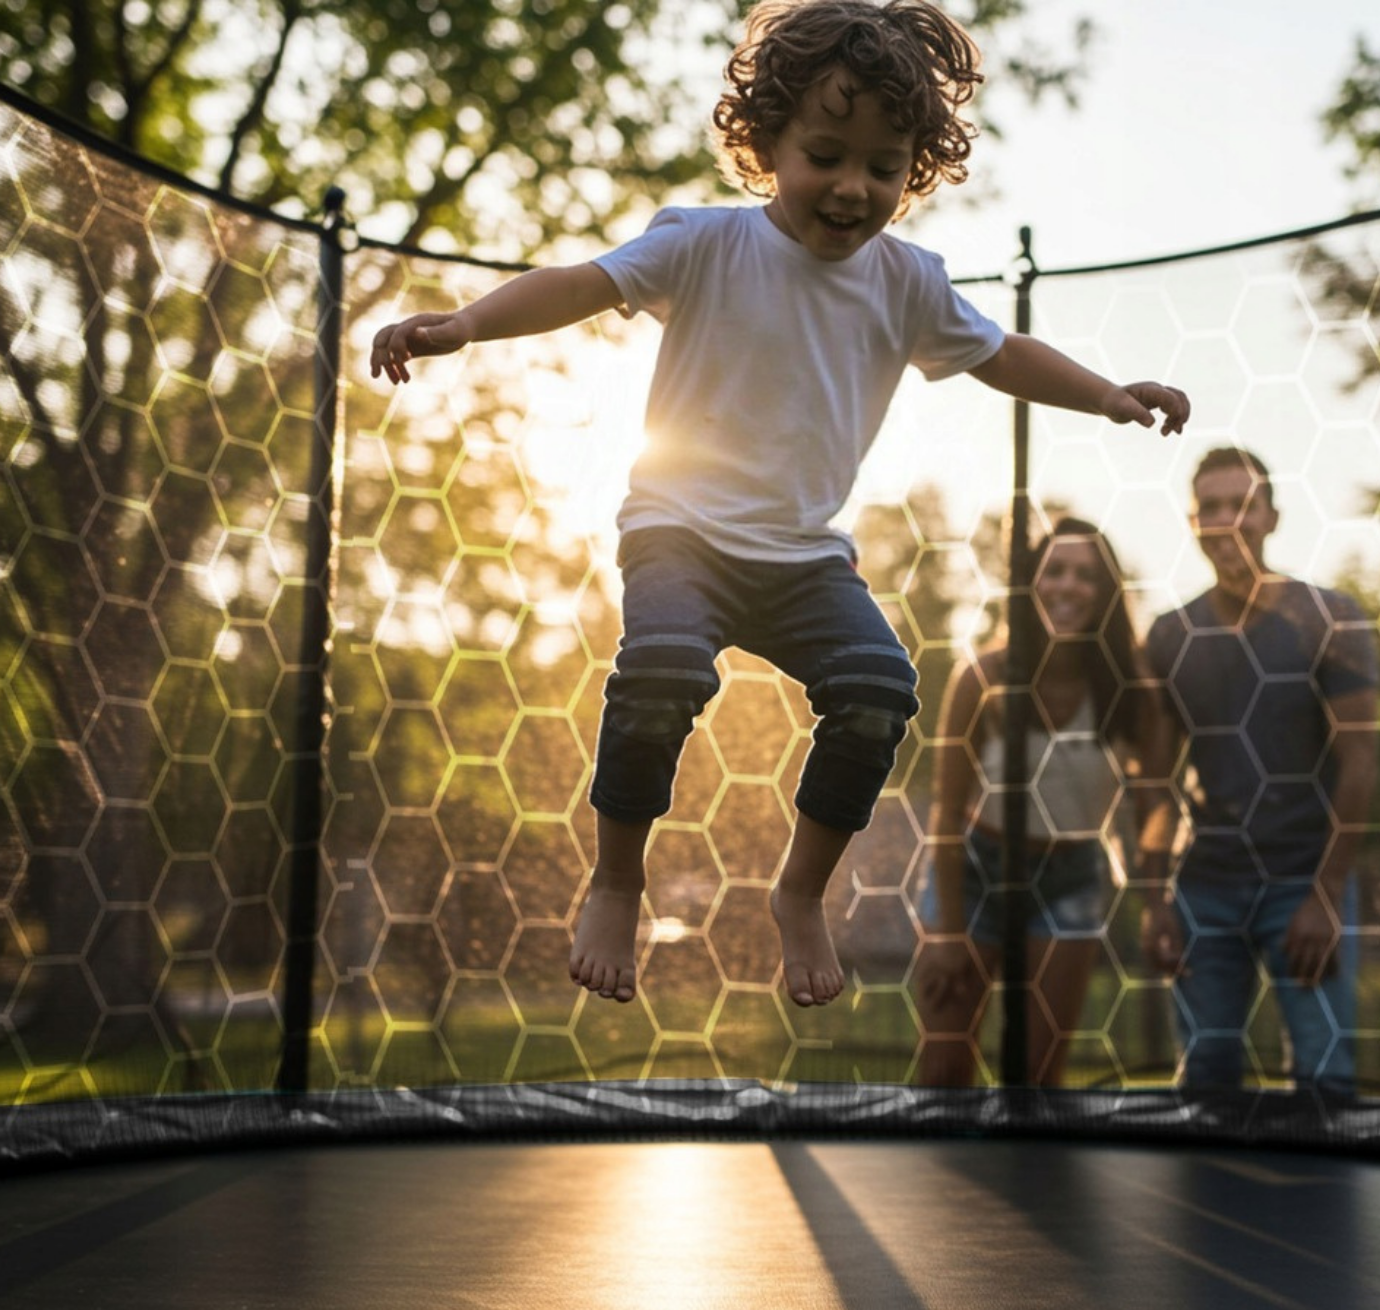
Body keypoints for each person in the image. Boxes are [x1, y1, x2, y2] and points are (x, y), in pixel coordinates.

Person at [371, 0, 1190, 1009]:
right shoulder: (705, 244)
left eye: (883, 168)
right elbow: (582, 285)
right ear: (765, 145)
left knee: (880, 689)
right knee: (665, 666)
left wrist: (1108, 393)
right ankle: (617, 877)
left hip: (804, 557)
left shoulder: (908, 282)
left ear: (913, 173)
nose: (853, 188)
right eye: (826, 155)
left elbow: (1002, 355)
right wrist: (465, 323)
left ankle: (800, 892)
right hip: (679, 530)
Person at [1140, 447, 1378, 1093]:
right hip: (1205, 886)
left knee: (1325, 1080)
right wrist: (1156, 898)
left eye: (1242, 505)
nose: (1227, 520)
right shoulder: (1169, 635)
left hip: (1303, 880)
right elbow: (1155, 783)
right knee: (1205, 1081)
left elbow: (1362, 760)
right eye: (1210, 507)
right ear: (1192, 522)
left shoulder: (1330, 616)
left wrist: (1326, 896)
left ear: (1271, 516)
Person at [917, 517, 1166, 1085]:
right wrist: (950, 932)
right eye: (1054, 571)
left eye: (1085, 575)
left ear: (1106, 593)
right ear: (1031, 583)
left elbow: (1155, 805)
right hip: (976, 872)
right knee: (945, 1071)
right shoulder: (982, 678)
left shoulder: (1133, 693)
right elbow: (947, 813)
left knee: (1037, 1076)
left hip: (1071, 875)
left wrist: (1157, 902)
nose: (1067, 586)